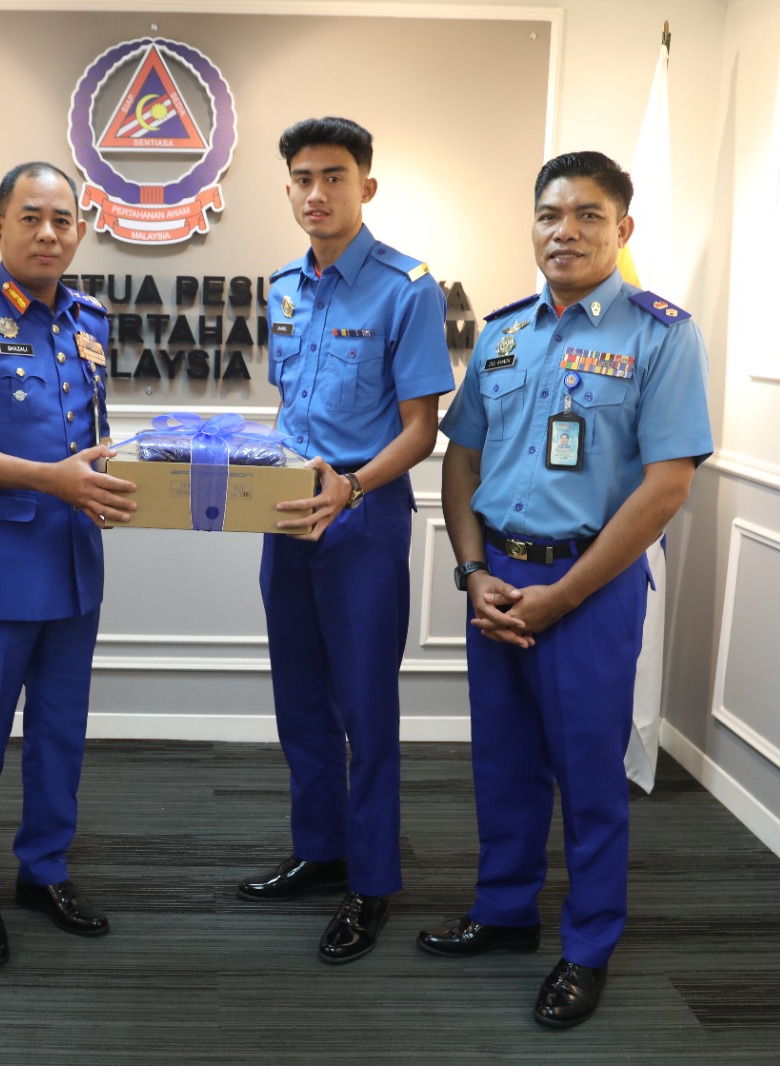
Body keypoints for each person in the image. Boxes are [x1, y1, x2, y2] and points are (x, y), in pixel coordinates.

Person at [424, 150, 712, 1028]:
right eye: (551, 215)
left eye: (589, 215)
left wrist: (565, 596)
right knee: (503, 763)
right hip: (499, 581)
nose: (567, 231)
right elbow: (462, 460)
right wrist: (473, 572)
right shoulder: (504, 334)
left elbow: (666, 488)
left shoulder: (661, 335)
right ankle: (506, 910)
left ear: (623, 230)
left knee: (589, 776)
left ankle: (588, 945)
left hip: (591, 587)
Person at [0, 162, 138, 967]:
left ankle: (44, 870)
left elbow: (88, 437)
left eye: (62, 220)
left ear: (80, 230)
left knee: (59, 735)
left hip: (73, 562)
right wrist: (53, 479)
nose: (48, 233)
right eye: (31, 217)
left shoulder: (90, 317)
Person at [237, 117, 454, 963]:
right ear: (288, 188)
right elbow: (293, 411)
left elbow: (421, 430)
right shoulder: (283, 287)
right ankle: (320, 849)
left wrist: (353, 488)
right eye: (302, 178)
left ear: (367, 185)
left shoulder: (408, 287)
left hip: (363, 519)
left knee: (365, 706)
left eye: (334, 176)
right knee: (300, 700)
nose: (316, 193)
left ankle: (372, 881)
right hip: (288, 516)